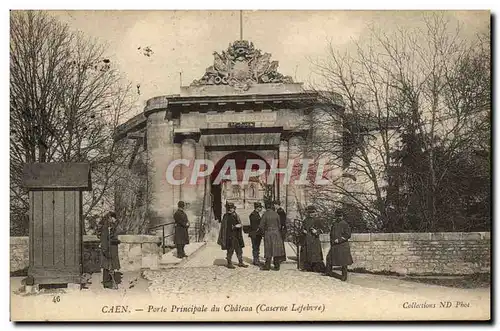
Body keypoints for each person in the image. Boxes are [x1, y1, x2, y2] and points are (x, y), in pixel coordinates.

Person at [217, 202, 248, 269]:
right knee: (230, 250)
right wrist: (234, 227)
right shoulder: (226, 216)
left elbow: (239, 223)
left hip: (237, 235)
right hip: (230, 236)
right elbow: (225, 227)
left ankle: (240, 262)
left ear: (234, 208)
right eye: (229, 208)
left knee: (239, 249)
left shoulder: (236, 215)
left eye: (232, 208)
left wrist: (239, 225)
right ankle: (229, 263)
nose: (231, 209)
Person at [325, 209, 353, 281]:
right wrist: (332, 241)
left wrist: (339, 239)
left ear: (342, 216)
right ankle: (328, 273)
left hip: (343, 245)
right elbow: (331, 234)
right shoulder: (334, 224)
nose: (339, 217)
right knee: (329, 258)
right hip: (335, 245)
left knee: (344, 262)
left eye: (340, 216)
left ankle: (344, 276)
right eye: (337, 216)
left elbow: (348, 235)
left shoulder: (345, 224)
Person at [259, 201, 287, 271]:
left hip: (268, 233)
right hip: (276, 233)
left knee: (268, 249)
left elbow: (261, 225)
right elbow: (279, 224)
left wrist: (263, 233)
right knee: (276, 249)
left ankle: (267, 266)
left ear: (266, 207)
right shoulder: (276, 214)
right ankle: (277, 266)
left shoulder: (265, 214)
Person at [98, 211, 121, 289]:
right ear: (110, 218)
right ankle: (107, 283)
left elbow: (112, 238)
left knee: (110, 266)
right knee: (107, 266)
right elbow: (104, 240)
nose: (115, 220)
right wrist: (105, 250)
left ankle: (110, 281)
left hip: (112, 249)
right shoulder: (106, 227)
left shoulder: (111, 227)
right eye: (114, 218)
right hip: (108, 250)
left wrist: (116, 241)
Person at [299, 205, 325, 273]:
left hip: (314, 240)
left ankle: (316, 268)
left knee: (315, 255)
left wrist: (316, 231)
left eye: (312, 212)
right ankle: (307, 267)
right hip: (307, 240)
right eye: (309, 212)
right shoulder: (305, 220)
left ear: (315, 213)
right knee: (306, 254)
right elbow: (302, 228)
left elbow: (323, 229)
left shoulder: (317, 220)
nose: (311, 214)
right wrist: (303, 231)